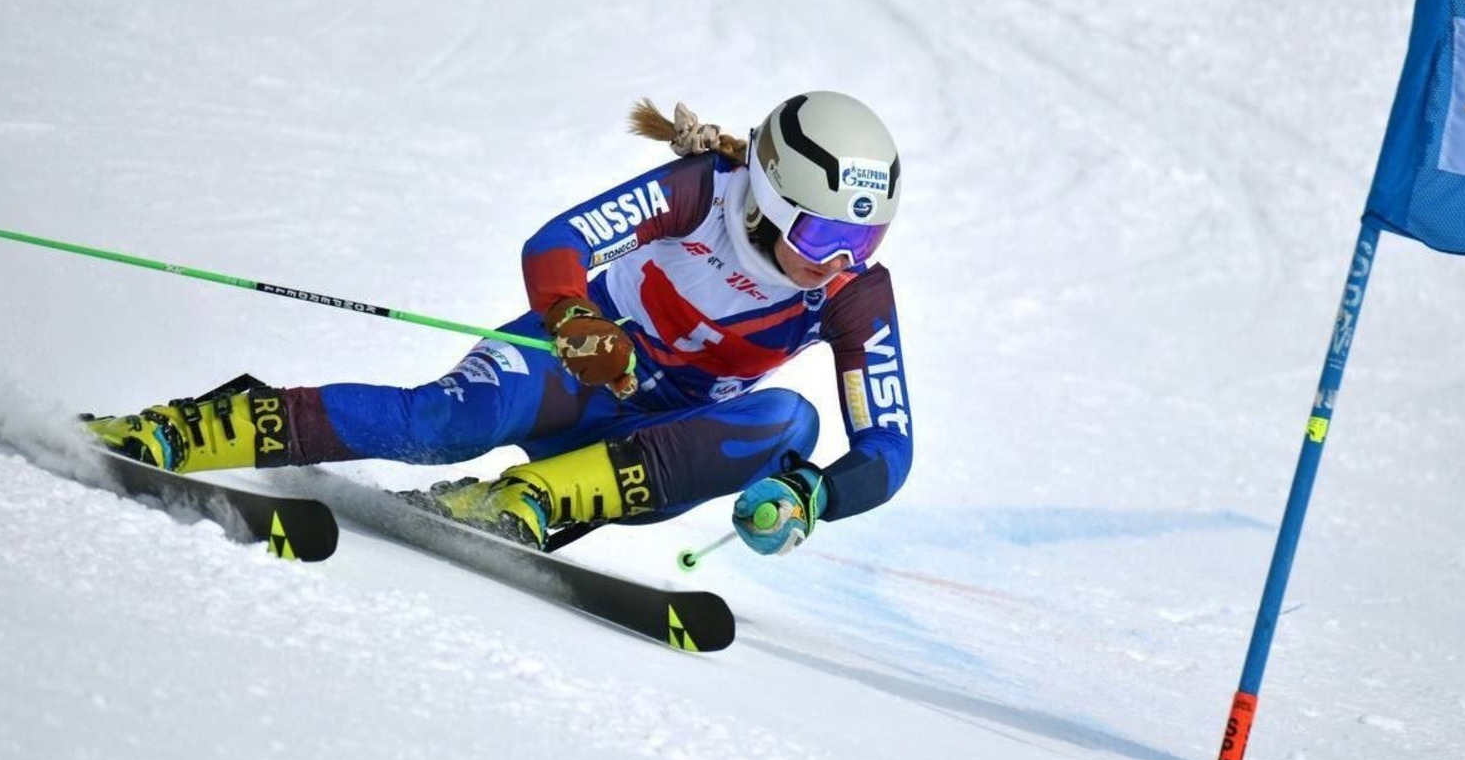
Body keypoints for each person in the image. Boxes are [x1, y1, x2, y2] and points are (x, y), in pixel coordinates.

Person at [85, 92, 913, 557]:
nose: (840, 261)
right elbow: (557, 244)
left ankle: (525, 502)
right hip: (573, 368)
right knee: (442, 426)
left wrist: (815, 492)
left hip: (653, 443)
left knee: (791, 424)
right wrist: (578, 321)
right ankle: (190, 430)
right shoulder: (704, 190)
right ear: (768, 199)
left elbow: (888, 448)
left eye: (866, 240)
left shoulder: (852, 295)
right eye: (823, 237)